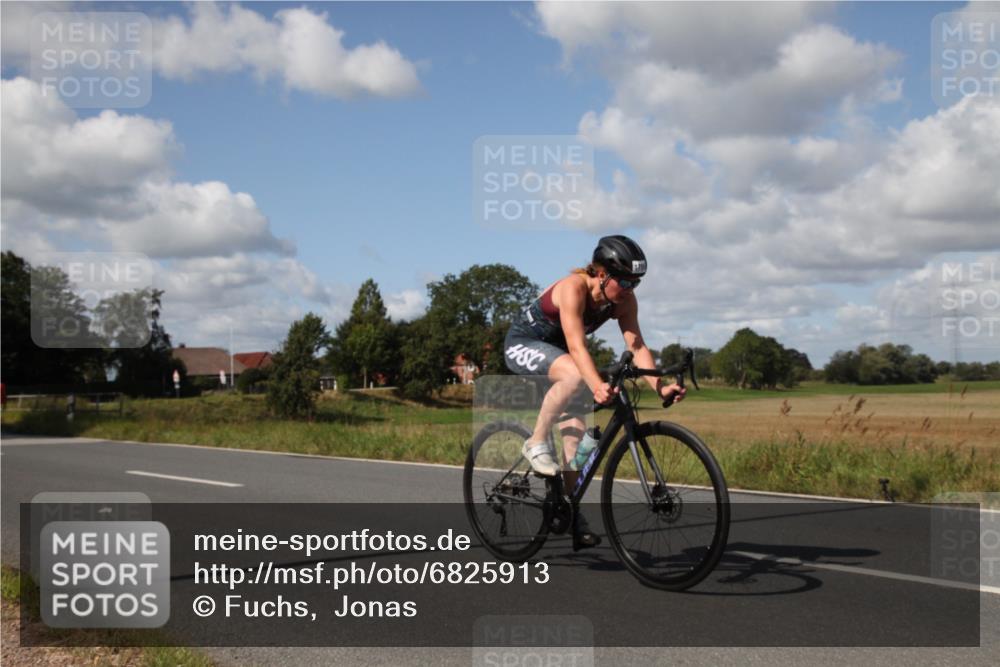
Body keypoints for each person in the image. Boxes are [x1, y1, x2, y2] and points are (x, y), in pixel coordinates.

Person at [503, 235, 686, 548]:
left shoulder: (623, 301)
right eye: (626, 283)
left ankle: (569, 512)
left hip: (561, 354)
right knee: (576, 377)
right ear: (602, 275)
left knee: (574, 450)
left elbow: (636, 345)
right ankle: (535, 442)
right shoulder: (572, 288)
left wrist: (659, 387)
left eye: (636, 283)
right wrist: (596, 385)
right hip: (525, 343)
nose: (630, 290)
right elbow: (576, 346)